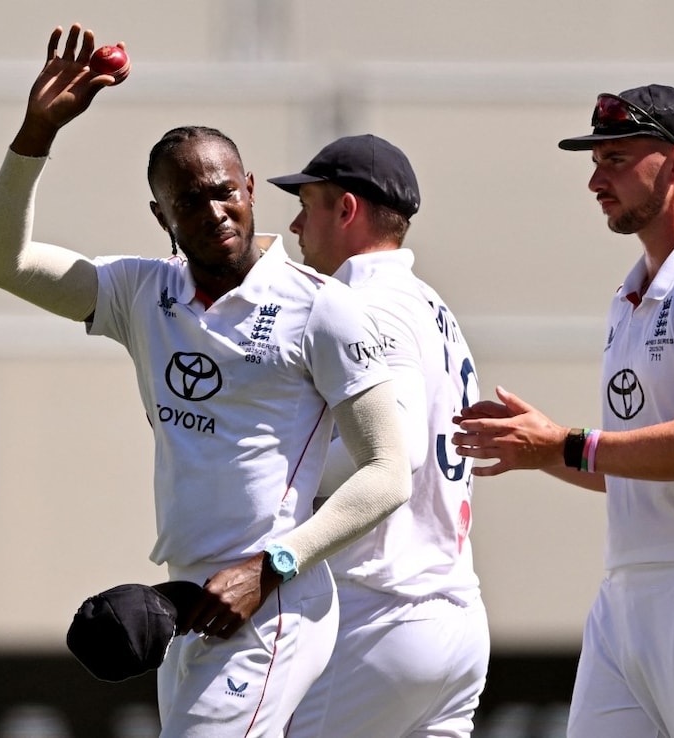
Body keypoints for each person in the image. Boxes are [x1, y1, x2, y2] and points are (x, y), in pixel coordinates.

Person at [0, 23, 412, 737]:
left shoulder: (321, 309)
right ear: (161, 217)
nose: (215, 213)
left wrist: (269, 569)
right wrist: (35, 134)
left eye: (224, 192)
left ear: (248, 186)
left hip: (272, 596)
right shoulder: (140, 293)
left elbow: (390, 472)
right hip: (188, 601)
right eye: (190, 203)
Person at [452, 84, 674, 738]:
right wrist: (540, 451)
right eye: (596, 160)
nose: (593, 179)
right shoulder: (632, 295)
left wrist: (563, 444)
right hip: (625, 599)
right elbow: (637, 462)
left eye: (614, 158)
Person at [267, 134, 489, 737]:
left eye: (307, 203)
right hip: (455, 617)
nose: (293, 224)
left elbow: (404, 449)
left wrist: (280, 489)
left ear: (346, 209)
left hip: (382, 612)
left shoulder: (366, 300)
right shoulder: (428, 302)